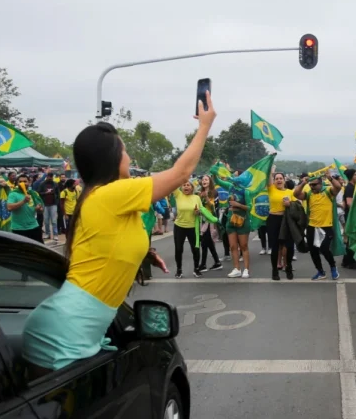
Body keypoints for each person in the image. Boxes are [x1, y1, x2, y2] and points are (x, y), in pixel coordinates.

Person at [21, 90, 216, 376]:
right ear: (112, 158)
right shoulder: (111, 194)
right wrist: (205, 126)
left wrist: (142, 254)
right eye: (125, 151)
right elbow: (181, 173)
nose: (129, 156)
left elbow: (105, 246)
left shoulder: (104, 197)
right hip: (65, 334)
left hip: (75, 328)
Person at [294, 175, 342, 280]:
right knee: (313, 250)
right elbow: (296, 194)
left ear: (321, 184)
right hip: (312, 227)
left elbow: (338, 187)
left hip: (326, 227)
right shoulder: (309, 194)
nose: (312, 187)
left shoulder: (328, 192)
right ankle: (320, 271)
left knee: (324, 249)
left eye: (315, 184)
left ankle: (333, 268)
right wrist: (303, 183)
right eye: (311, 185)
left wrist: (330, 178)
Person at [213, 174, 252, 278]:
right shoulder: (230, 187)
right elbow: (217, 181)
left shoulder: (246, 191)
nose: (234, 179)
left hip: (242, 221)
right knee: (233, 246)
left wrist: (238, 205)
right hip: (230, 221)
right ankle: (236, 268)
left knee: (243, 246)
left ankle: (246, 269)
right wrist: (214, 172)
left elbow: (250, 207)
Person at [266, 168, 296, 280]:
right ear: (274, 181)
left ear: (284, 180)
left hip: (286, 220)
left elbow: (297, 205)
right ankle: (274, 271)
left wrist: (289, 204)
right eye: (276, 178)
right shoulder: (271, 189)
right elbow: (268, 177)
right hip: (273, 219)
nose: (279, 180)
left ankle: (288, 267)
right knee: (275, 247)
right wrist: (271, 166)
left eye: (280, 178)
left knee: (288, 246)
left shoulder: (290, 192)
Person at [6, 174, 44, 243]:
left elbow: (39, 209)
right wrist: (23, 201)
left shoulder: (33, 193)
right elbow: (9, 207)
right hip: (19, 228)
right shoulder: (13, 194)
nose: (23, 183)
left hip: (34, 226)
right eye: (20, 181)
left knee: (38, 249)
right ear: (17, 183)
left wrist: (39, 209)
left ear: (29, 182)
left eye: (25, 181)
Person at [197, 175, 222, 273]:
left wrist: (206, 197)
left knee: (204, 243)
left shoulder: (214, 192)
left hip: (210, 220)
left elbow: (213, 207)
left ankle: (203, 264)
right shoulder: (200, 193)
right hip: (203, 220)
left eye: (206, 179)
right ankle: (217, 262)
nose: (204, 181)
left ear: (210, 181)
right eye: (203, 179)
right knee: (209, 243)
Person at [340, 169, 356, 270]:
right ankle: (351, 261)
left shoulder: (354, 187)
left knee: (351, 239)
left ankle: (346, 261)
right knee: (352, 239)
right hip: (351, 216)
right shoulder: (350, 188)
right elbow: (349, 203)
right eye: (355, 174)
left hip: (352, 215)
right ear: (351, 177)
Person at [38, 172, 60, 243]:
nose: (50, 178)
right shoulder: (42, 184)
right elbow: (39, 193)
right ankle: (47, 233)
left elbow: (58, 194)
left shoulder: (55, 184)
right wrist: (45, 193)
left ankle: (55, 235)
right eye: (49, 176)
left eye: (51, 176)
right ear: (46, 177)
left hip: (53, 204)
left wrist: (57, 202)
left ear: (52, 177)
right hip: (45, 204)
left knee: (54, 221)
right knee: (46, 221)